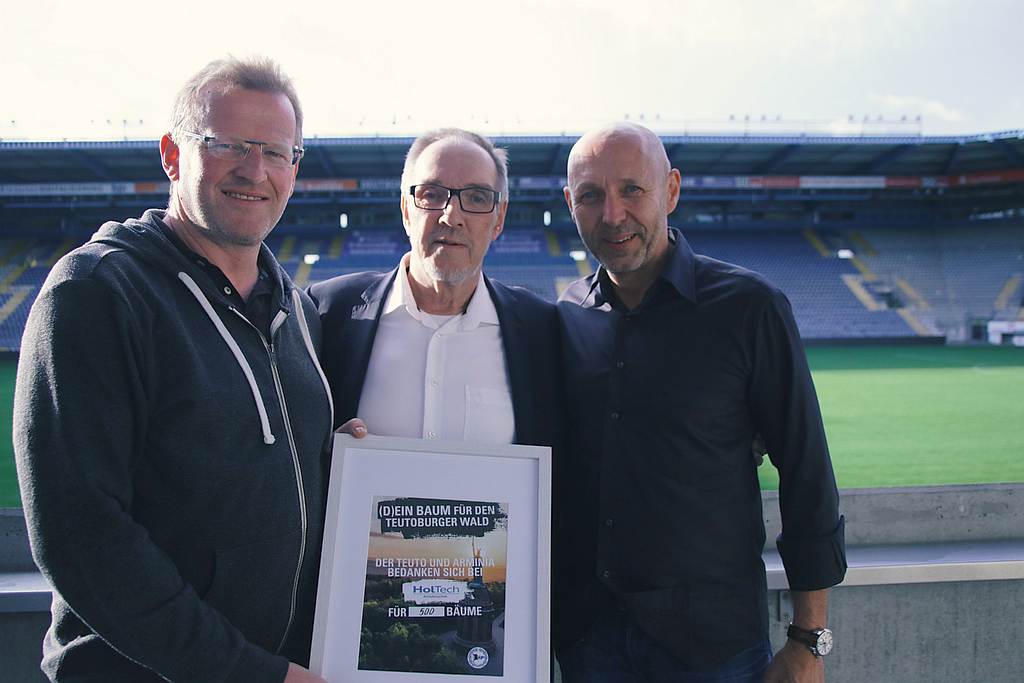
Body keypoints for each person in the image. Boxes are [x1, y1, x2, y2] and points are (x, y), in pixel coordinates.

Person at [14, 57, 333, 683]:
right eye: (228, 145)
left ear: (294, 168)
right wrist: (245, 672)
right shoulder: (98, 290)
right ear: (171, 154)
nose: (254, 170)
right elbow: (81, 534)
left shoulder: (296, 309)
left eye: (275, 152)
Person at [553, 122, 846, 682]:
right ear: (571, 204)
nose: (612, 214)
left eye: (632, 190)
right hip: (591, 642)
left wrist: (810, 639)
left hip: (713, 647)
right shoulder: (566, 316)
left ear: (671, 190)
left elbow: (806, 471)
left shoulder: (750, 308)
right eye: (591, 195)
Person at [307, 128, 562, 454]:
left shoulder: (541, 329)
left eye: (477, 198)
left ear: (499, 219)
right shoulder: (327, 312)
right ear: (406, 210)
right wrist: (323, 458)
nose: (451, 216)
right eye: (432, 194)